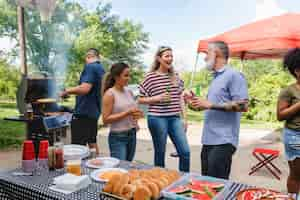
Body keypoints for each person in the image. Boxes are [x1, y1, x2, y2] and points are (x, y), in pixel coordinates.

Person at [187, 41, 248, 179]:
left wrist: (210, 105)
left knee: (218, 186)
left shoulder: (234, 75)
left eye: (207, 53)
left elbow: (243, 106)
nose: (205, 57)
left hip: (224, 141)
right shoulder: (216, 78)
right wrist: (193, 102)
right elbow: (208, 106)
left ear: (217, 54)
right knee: (206, 185)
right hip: (208, 140)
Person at [138, 46, 190, 172]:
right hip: (157, 118)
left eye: (171, 56)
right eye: (167, 56)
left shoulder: (175, 76)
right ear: (159, 59)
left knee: (185, 152)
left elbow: (180, 98)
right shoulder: (150, 77)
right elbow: (140, 99)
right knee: (160, 153)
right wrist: (157, 98)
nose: (170, 58)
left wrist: (185, 118)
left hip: (174, 118)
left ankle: (183, 180)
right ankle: (159, 181)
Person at [60, 48, 105, 155]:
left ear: (88, 56)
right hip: (94, 112)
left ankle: (78, 170)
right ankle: (96, 166)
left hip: (83, 112)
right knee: (92, 142)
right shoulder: (101, 69)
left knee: (77, 148)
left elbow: (85, 88)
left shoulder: (90, 67)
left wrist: (66, 91)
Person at [102, 62, 143, 161]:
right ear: (116, 77)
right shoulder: (110, 94)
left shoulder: (129, 91)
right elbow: (105, 119)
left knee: (127, 166)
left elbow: (132, 110)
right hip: (118, 137)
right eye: (126, 75)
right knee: (120, 169)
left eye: (129, 75)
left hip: (132, 134)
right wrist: (127, 113)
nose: (128, 78)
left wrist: (136, 119)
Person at [277, 48, 300, 200]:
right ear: (297, 71)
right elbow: (280, 115)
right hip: (295, 136)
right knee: (297, 174)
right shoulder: (289, 91)